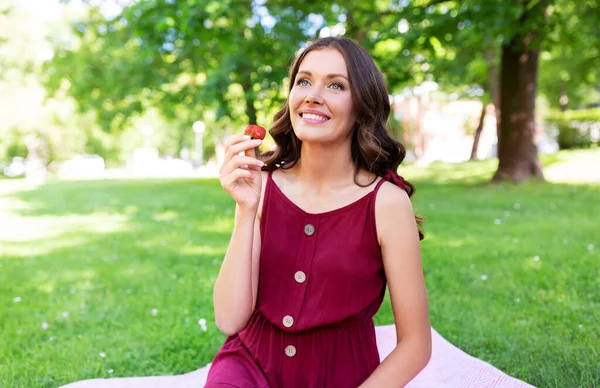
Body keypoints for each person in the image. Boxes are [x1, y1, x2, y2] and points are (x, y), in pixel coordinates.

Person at [205, 36, 431, 388]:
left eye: (336, 85)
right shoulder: (260, 186)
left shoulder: (386, 203)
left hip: (341, 377)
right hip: (250, 366)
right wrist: (245, 211)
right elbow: (230, 320)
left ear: (362, 106)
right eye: (304, 81)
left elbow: (416, 346)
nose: (312, 95)